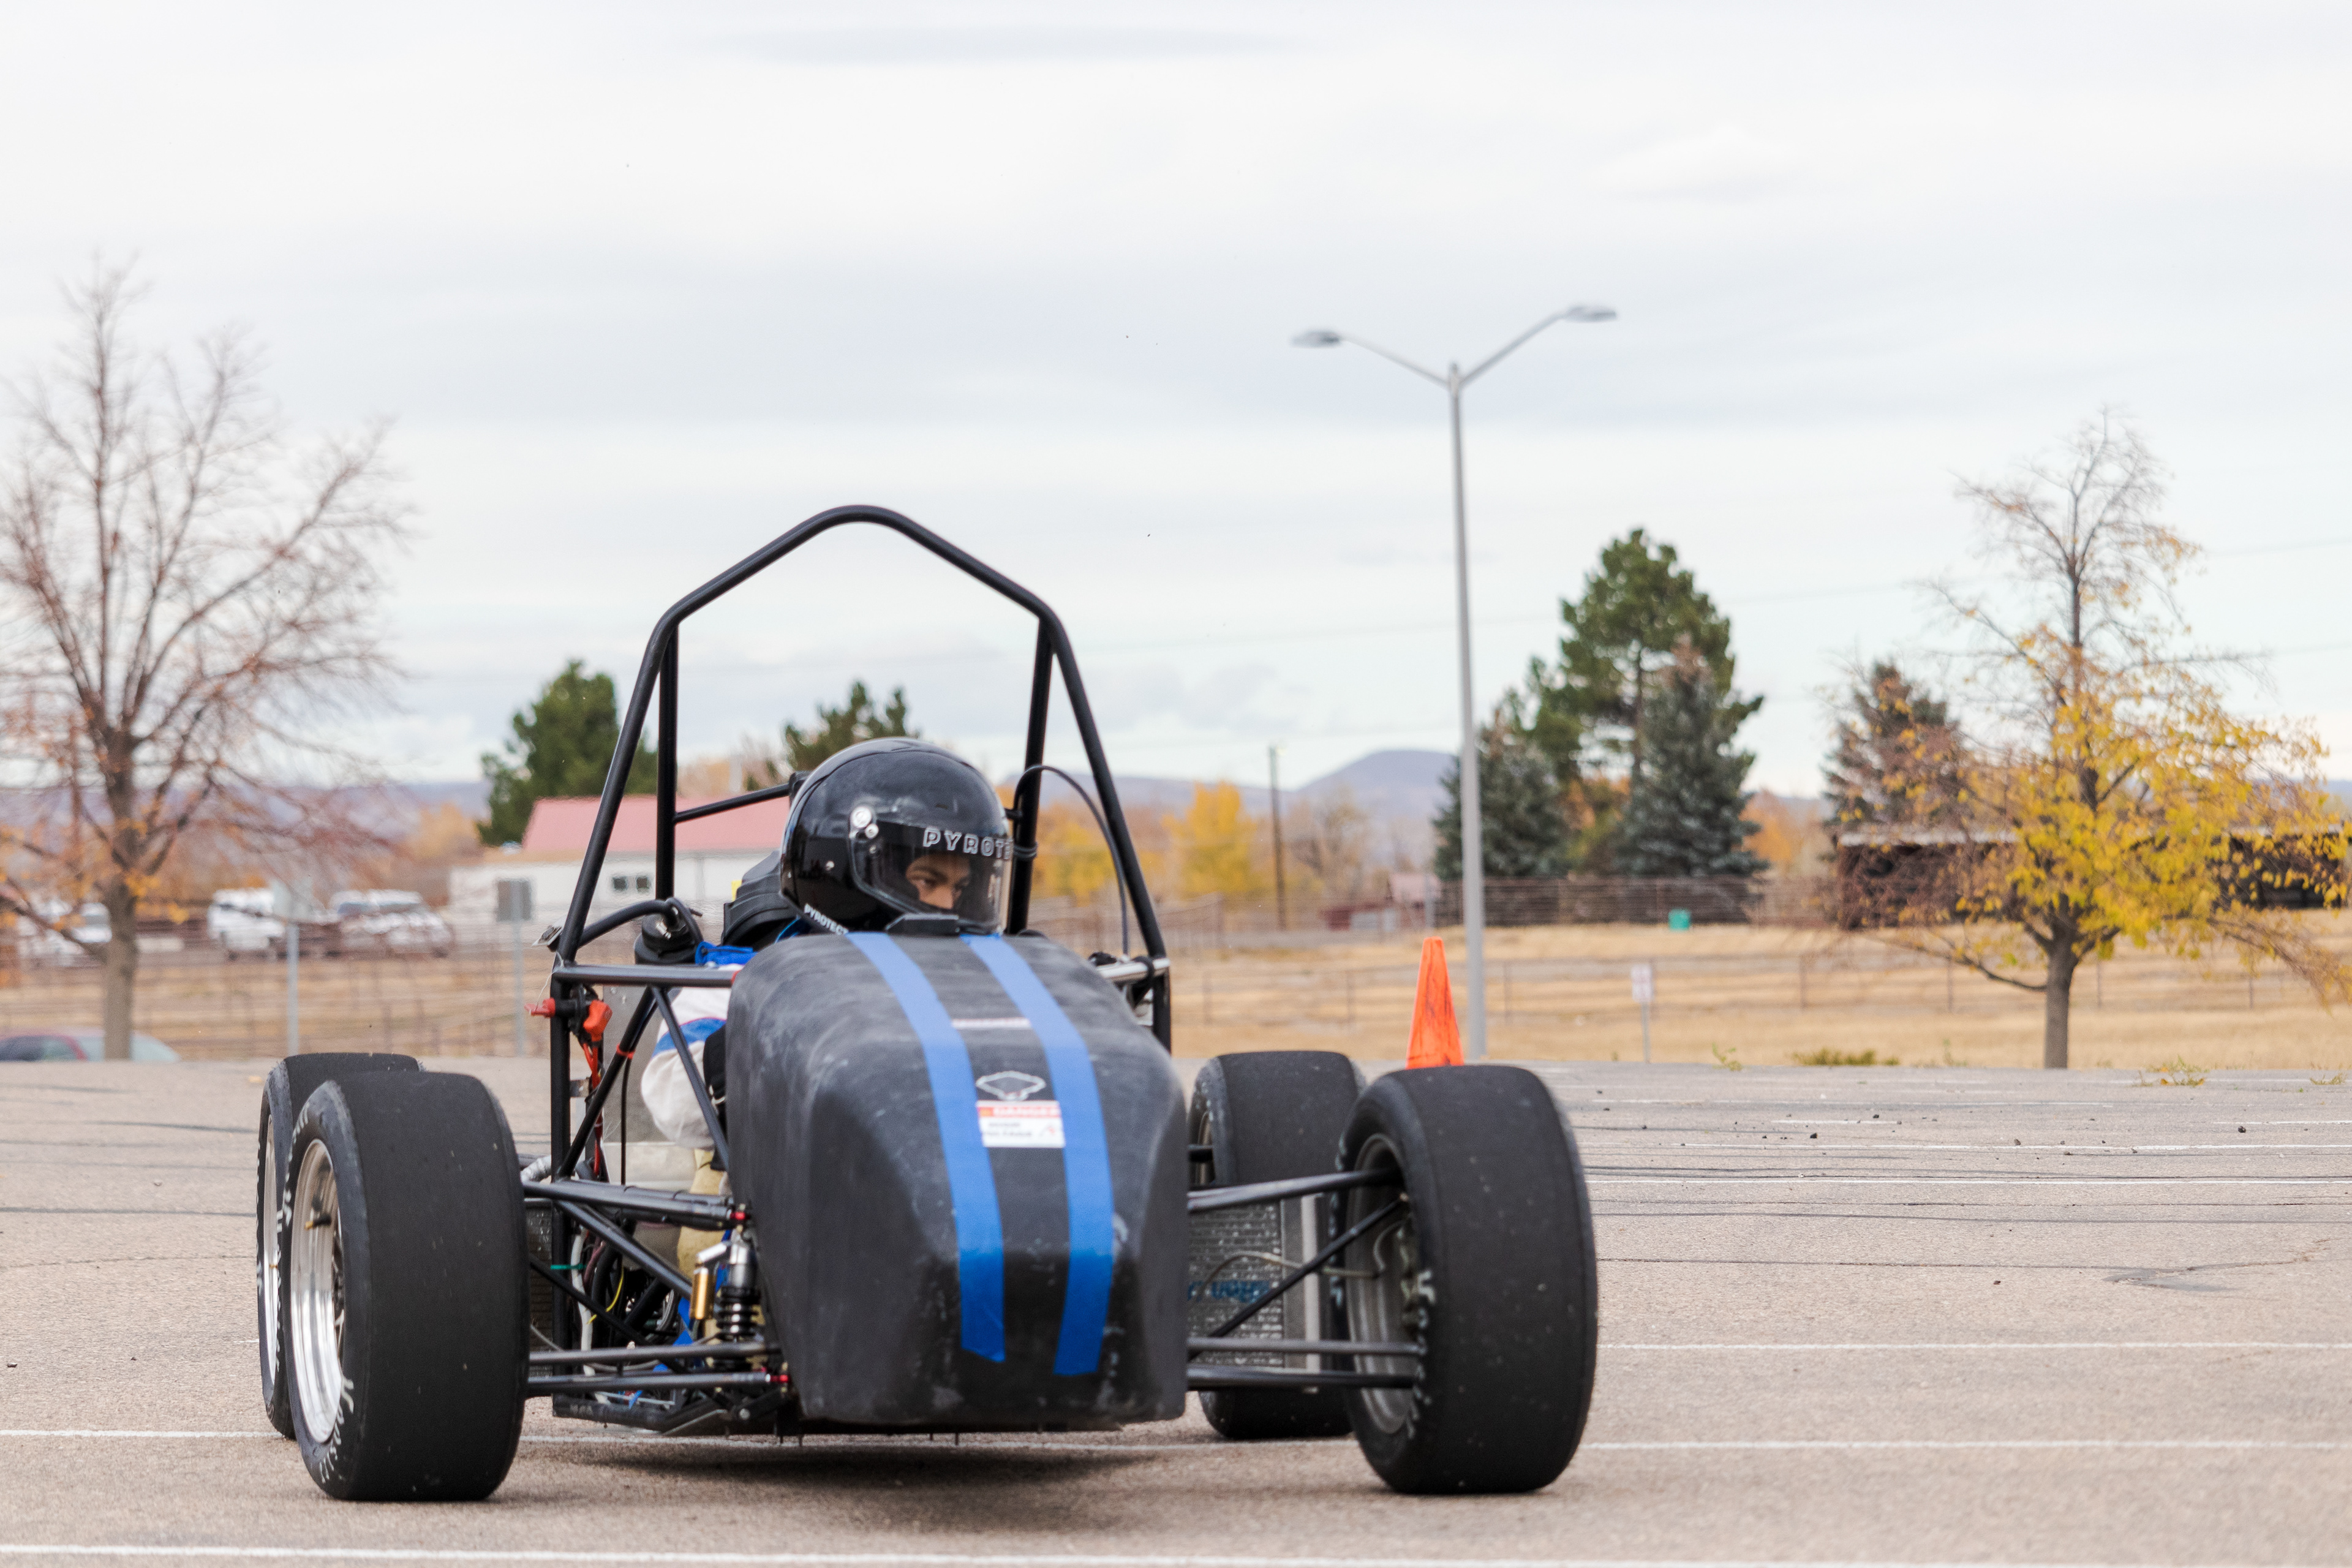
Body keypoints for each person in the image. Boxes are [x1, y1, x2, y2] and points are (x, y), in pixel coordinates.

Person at [636, 738, 1014, 1155]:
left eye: (961, 888)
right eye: (926, 881)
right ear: (843, 874)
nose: (948, 906)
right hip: (800, 1201)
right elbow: (673, 1101)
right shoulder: (747, 982)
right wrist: (813, 1016)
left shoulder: (991, 979)